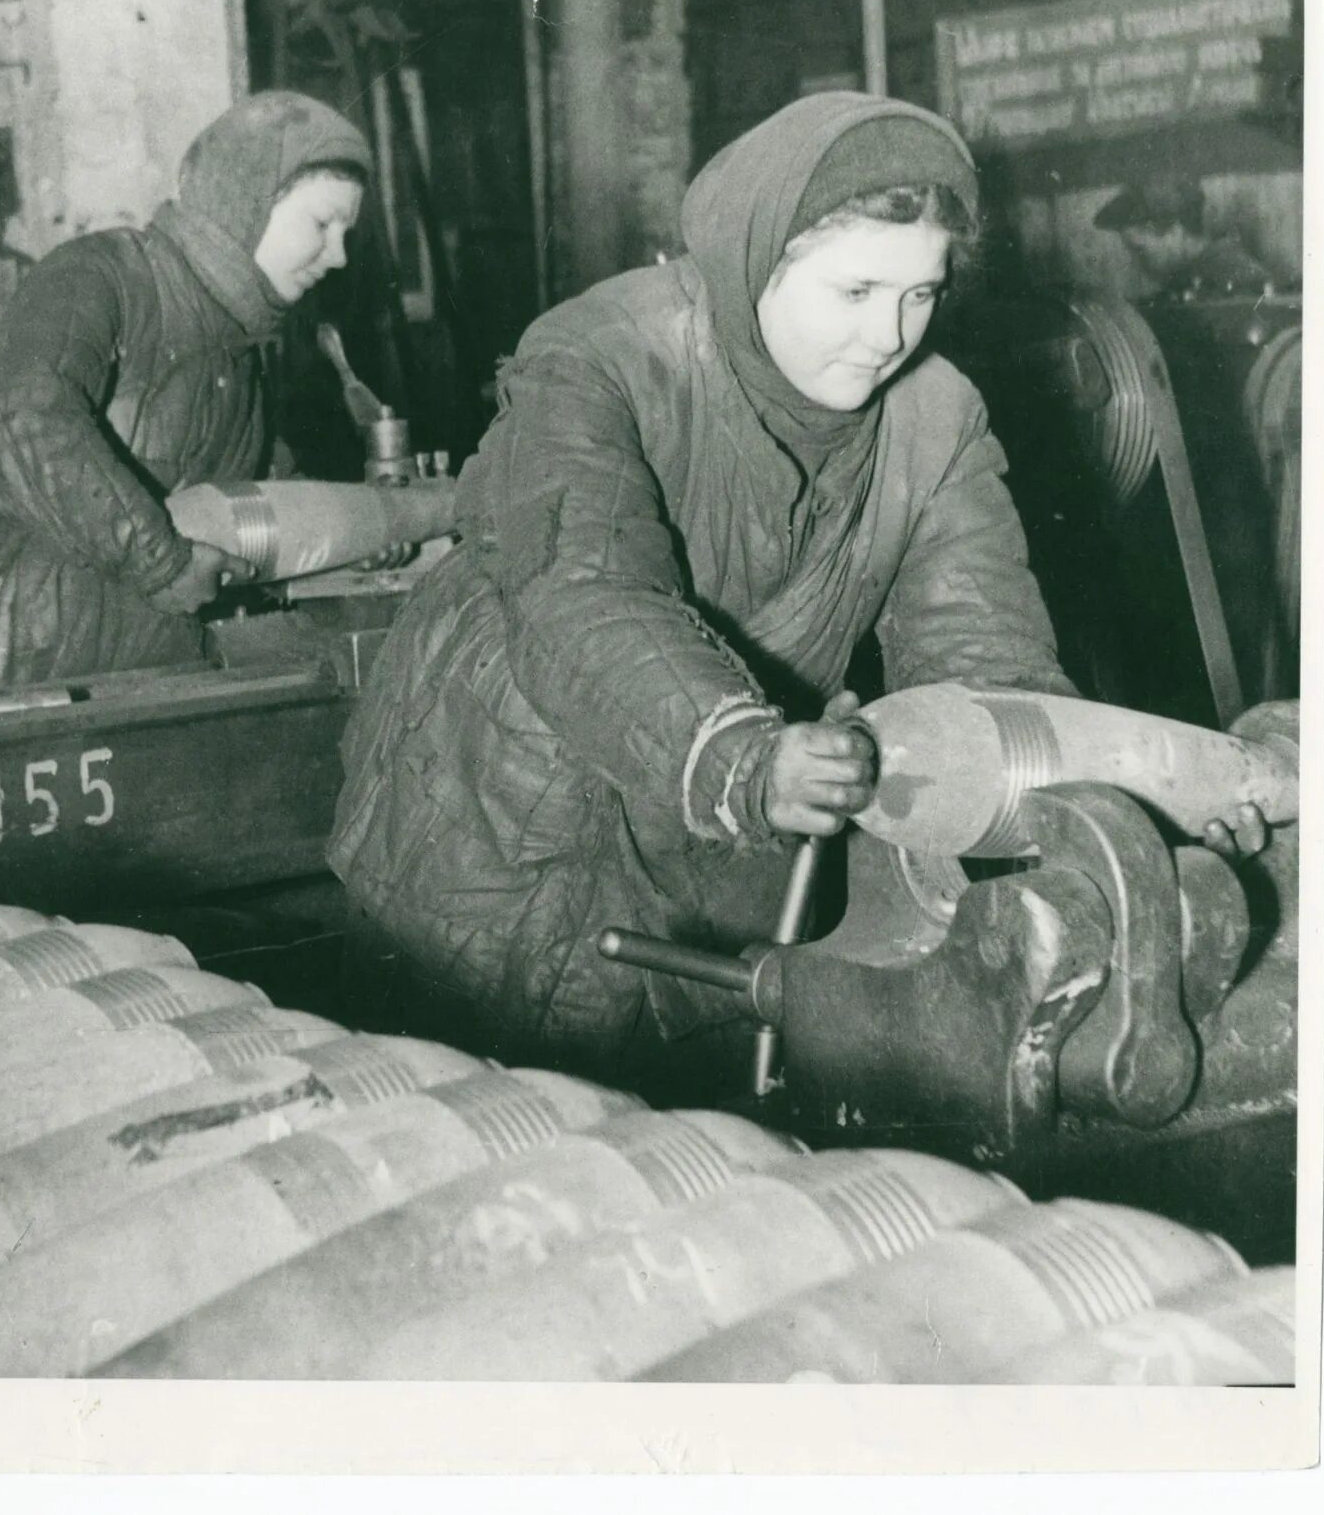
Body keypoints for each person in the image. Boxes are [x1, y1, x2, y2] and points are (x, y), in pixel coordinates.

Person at [328, 91, 1089, 1083]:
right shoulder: (599, 354)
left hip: (718, 847)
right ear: (757, 255)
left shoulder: (935, 419)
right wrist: (738, 759)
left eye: (919, 294)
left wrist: (1099, 803)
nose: (886, 336)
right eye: (853, 291)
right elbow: (580, 588)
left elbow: (985, 658)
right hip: (493, 830)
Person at [0, 91, 373, 691]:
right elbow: (10, 417)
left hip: (145, 675)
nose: (337, 256)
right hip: (16, 667)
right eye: (322, 223)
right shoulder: (103, 276)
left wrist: (352, 540)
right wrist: (162, 562)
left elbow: (248, 499)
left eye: (347, 233)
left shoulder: (238, 346)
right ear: (247, 199)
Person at [1093, 177, 1277, 302]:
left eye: (1139, 251)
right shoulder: (1186, 280)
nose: (1137, 263)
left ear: (1175, 232)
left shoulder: (1236, 278)